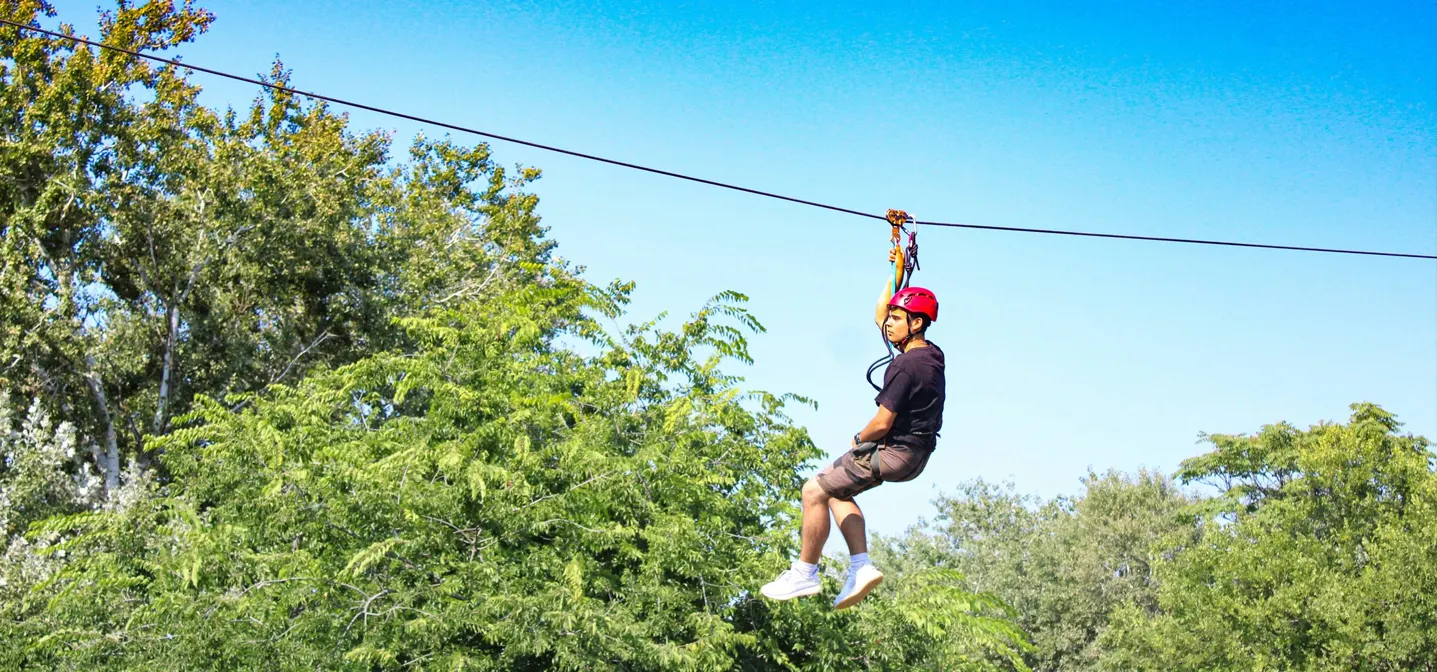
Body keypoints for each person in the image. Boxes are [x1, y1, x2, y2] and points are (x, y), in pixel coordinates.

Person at [760, 286, 945, 609]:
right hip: (917, 453)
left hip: (893, 451)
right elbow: (879, 312)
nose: (887, 324)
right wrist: (897, 265)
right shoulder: (931, 356)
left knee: (813, 491)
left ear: (915, 324)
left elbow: (882, 423)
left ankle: (806, 572)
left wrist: (860, 438)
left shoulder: (905, 367)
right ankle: (860, 567)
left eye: (896, 319)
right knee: (836, 492)